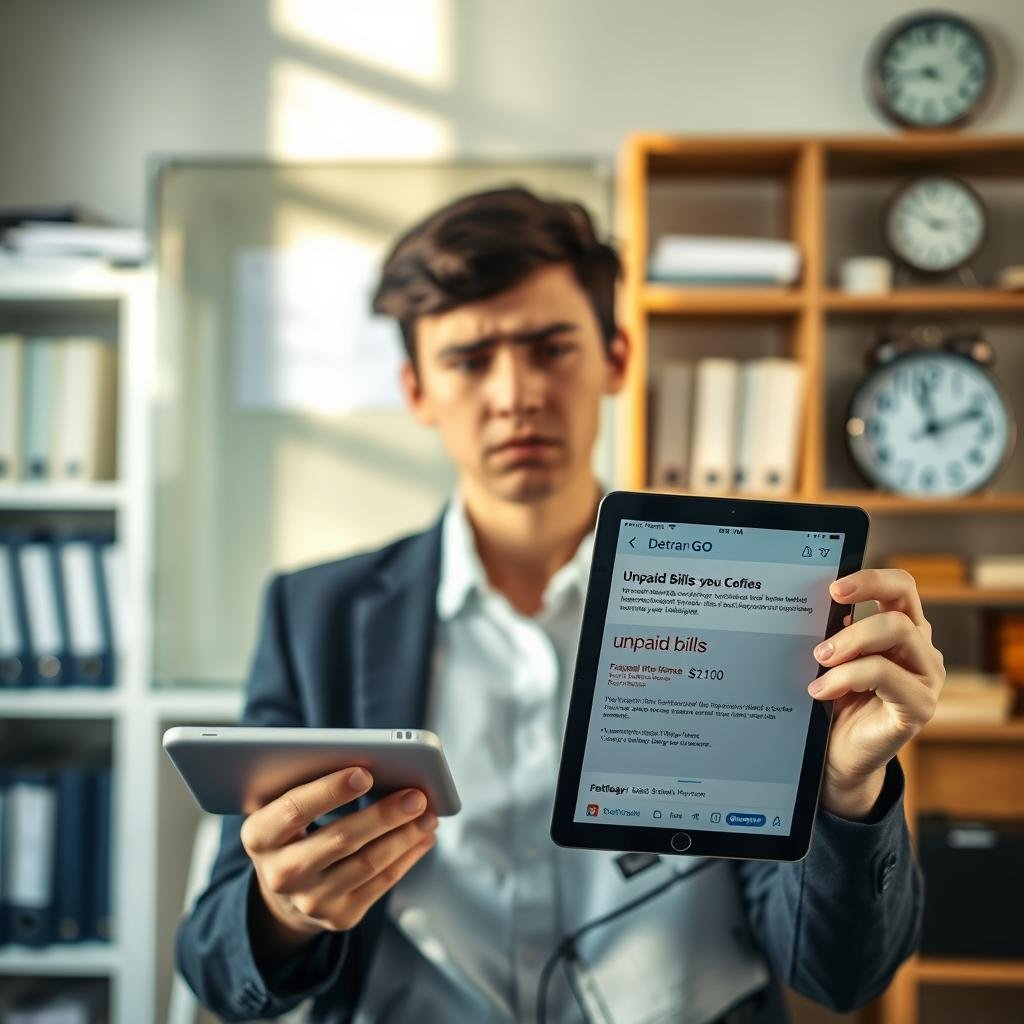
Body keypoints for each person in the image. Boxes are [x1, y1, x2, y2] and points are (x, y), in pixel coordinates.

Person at [177, 187, 940, 1024]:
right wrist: (283, 911)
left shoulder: (759, 600)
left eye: (550, 349)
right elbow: (213, 962)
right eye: (470, 360)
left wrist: (845, 792)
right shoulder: (315, 615)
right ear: (417, 390)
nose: (515, 394)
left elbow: (841, 976)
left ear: (616, 357)